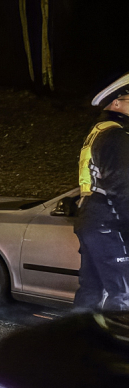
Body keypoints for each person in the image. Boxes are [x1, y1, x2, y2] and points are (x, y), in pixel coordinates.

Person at [74, 71, 129, 310]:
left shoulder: (98, 131)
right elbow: (122, 184)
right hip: (109, 222)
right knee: (124, 294)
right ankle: (117, 345)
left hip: (92, 219)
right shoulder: (117, 135)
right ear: (116, 102)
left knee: (90, 290)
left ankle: (78, 341)